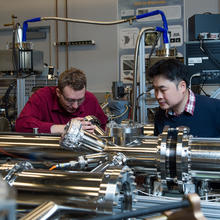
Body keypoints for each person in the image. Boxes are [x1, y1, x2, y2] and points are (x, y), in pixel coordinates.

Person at [15, 67, 108, 134]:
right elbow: (21, 126)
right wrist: (65, 128)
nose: (75, 106)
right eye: (70, 100)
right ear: (58, 93)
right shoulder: (42, 97)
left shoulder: (90, 99)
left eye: (80, 100)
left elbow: (103, 129)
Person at [148, 58, 220, 137]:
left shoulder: (215, 109)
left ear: (182, 86)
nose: (158, 96)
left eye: (163, 90)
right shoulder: (160, 115)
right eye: (155, 90)